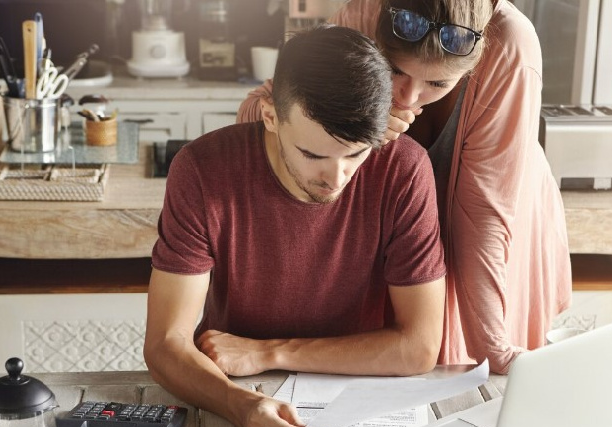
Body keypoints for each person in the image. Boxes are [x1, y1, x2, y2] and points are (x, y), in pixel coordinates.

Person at [144, 25, 447, 427]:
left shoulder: (405, 170)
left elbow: (418, 348)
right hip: (235, 390)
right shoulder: (201, 170)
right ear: (270, 115)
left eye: (356, 154)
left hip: (359, 404)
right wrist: (243, 406)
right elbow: (164, 344)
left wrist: (269, 352)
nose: (336, 178)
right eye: (313, 155)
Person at [238, 0, 573, 375]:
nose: (409, 97)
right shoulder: (364, 16)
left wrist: (494, 348)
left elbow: (483, 216)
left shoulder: (508, 43)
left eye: (438, 83)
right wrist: (359, 121)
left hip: (495, 225)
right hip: (403, 234)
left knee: (480, 378)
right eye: (395, 70)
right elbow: (258, 110)